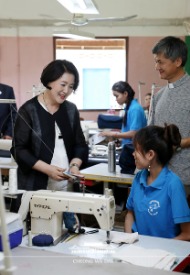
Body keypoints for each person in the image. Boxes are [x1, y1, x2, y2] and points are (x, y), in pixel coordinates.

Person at [10, 59, 89, 216]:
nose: (66, 91)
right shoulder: (28, 110)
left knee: (67, 231)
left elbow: (80, 145)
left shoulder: (71, 110)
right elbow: (19, 150)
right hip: (35, 186)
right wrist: (47, 169)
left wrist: (74, 166)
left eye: (71, 87)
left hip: (67, 186)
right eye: (63, 84)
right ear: (50, 81)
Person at [124, 124, 190, 240]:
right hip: (138, 249)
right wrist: (129, 239)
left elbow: (187, 233)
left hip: (165, 253)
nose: (133, 154)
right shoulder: (138, 178)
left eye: (136, 150)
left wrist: (161, 252)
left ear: (150, 154)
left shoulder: (173, 184)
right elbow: (130, 213)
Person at [149, 36, 190, 199]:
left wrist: (179, 143)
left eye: (160, 62)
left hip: (185, 181)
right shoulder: (159, 96)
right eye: (156, 61)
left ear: (178, 61)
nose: (156, 66)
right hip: (159, 178)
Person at [100, 81, 147, 174]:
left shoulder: (135, 109)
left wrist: (113, 134)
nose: (116, 99)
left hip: (133, 152)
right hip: (129, 149)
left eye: (117, 96)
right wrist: (119, 140)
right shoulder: (129, 108)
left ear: (125, 94)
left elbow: (134, 133)